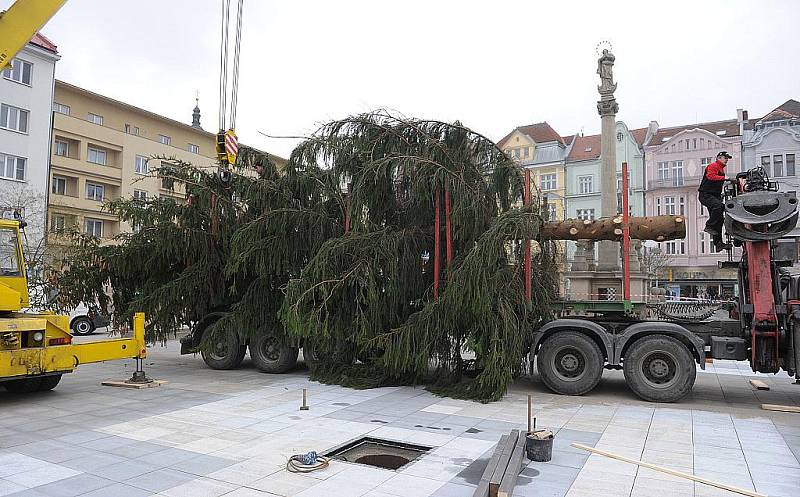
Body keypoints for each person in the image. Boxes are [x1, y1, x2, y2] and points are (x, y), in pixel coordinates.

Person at [698, 151, 733, 252]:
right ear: (719, 158)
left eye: (727, 158)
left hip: (713, 196)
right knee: (719, 206)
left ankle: (718, 244)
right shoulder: (713, 166)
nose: (726, 160)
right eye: (725, 158)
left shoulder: (721, 169)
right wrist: (725, 178)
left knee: (720, 220)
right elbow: (710, 176)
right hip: (706, 195)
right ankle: (709, 225)